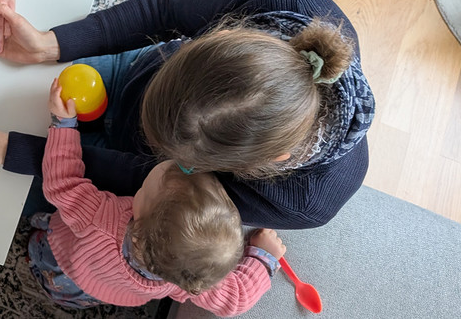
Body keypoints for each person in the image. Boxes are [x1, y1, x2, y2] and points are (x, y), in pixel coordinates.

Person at [0, 0, 376, 229]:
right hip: (130, 86)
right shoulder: (286, 0)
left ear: (266, 160)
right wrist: (52, 44)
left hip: (145, 183)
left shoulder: (304, 202)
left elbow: (148, 185)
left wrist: (2, 149)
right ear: (220, 37)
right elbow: (163, 11)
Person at [29, 78, 283, 315]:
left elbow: (62, 184)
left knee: (45, 249)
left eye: (144, 188)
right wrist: (263, 256)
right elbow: (236, 299)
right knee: (81, 291)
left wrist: (62, 123)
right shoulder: (190, 277)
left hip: (62, 261)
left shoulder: (99, 219)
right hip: (101, 291)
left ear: (139, 216)